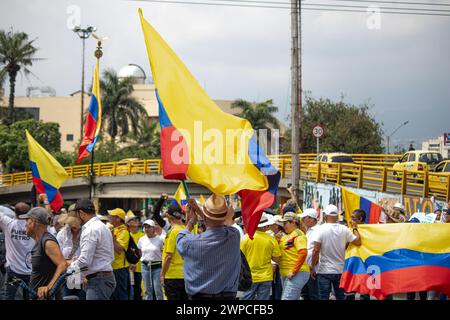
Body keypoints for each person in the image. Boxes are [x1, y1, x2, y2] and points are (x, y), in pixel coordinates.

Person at [176, 196, 240, 300]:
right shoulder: (234, 235)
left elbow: (180, 238)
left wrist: (191, 222)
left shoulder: (190, 242)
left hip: (199, 297)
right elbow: (218, 223)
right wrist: (200, 211)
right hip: (228, 297)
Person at [311, 204, 361, 301]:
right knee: (341, 297)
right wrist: (355, 228)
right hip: (340, 270)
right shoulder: (344, 229)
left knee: (323, 297)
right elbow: (358, 241)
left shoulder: (320, 229)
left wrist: (313, 266)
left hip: (324, 270)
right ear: (337, 216)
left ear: (325, 215)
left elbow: (316, 250)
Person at [70, 199, 116, 300]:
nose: (74, 219)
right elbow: (111, 257)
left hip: (98, 280)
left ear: (81, 213)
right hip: (101, 278)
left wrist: (69, 267)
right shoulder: (102, 227)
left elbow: (85, 260)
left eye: (75, 215)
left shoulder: (90, 230)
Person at [20, 207, 67, 300]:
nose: (25, 225)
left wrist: (48, 287)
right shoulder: (40, 241)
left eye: (27, 221)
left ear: (33, 222)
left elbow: (63, 264)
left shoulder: (47, 241)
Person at [240, 213, 281, 300]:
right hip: (266, 276)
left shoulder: (246, 238)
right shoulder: (271, 239)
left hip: (249, 276)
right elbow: (276, 259)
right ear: (265, 226)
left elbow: (239, 257)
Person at [0, 203, 35, 300]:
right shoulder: (34, 226)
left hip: (13, 271)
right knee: (31, 297)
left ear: (15, 213)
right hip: (30, 271)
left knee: (8, 297)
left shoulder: (8, 223)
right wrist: (44, 202)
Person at [278, 212, 310, 300]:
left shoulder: (298, 235)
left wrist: (293, 271)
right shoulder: (286, 236)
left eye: (285, 223)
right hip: (287, 273)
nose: (283, 226)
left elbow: (303, 253)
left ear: (293, 223)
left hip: (297, 272)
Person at [56, 207, 84, 300]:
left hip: (83, 277)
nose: (74, 226)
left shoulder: (87, 233)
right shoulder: (62, 234)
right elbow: (57, 256)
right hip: (65, 277)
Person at [160, 203, 186, 300]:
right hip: (185, 274)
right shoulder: (185, 230)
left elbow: (168, 256)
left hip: (172, 275)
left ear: (168, 216)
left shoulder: (173, 232)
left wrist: (162, 274)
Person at [345, 209, 370, 301]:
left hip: (364, 263)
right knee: (349, 290)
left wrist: (355, 228)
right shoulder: (349, 230)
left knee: (364, 291)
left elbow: (358, 242)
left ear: (360, 219)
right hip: (351, 262)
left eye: (353, 218)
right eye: (351, 218)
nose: (351, 220)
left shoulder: (369, 230)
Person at [138, 219, 165, 300]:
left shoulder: (160, 239)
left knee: (158, 290)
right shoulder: (141, 239)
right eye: (145, 227)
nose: (147, 229)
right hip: (145, 266)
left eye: (149, 227)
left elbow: (163, 252)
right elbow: (139, 251)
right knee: (147, 290)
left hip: (157, 266)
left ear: (154, 228)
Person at [108, 208, 130, 300]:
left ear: (118, 218)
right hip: (110, 267)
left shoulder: (124, 232)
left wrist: (112, 236)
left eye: (111, 216)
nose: (109, 218)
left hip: (119, 268)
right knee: (112, 294)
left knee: (120, 294)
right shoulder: (114, 229)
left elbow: (119, 249)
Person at [299, 208, 320, 301]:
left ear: (311, 219)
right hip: (306, 268)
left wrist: (313, 266)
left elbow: (317, 250)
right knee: (305, 294)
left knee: (313, 294)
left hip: (313, 268)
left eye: (304, 218)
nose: (302, 221)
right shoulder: (308, 230)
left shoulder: (317, 231)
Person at [126, 212, 144, 300]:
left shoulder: (143, 235)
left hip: (139, 268)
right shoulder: (126, 235)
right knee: (128, 289)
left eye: (137, 219)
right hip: (127, 267)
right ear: (128, 223)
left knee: (138, 290)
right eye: (133, 219)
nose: (136, 221)